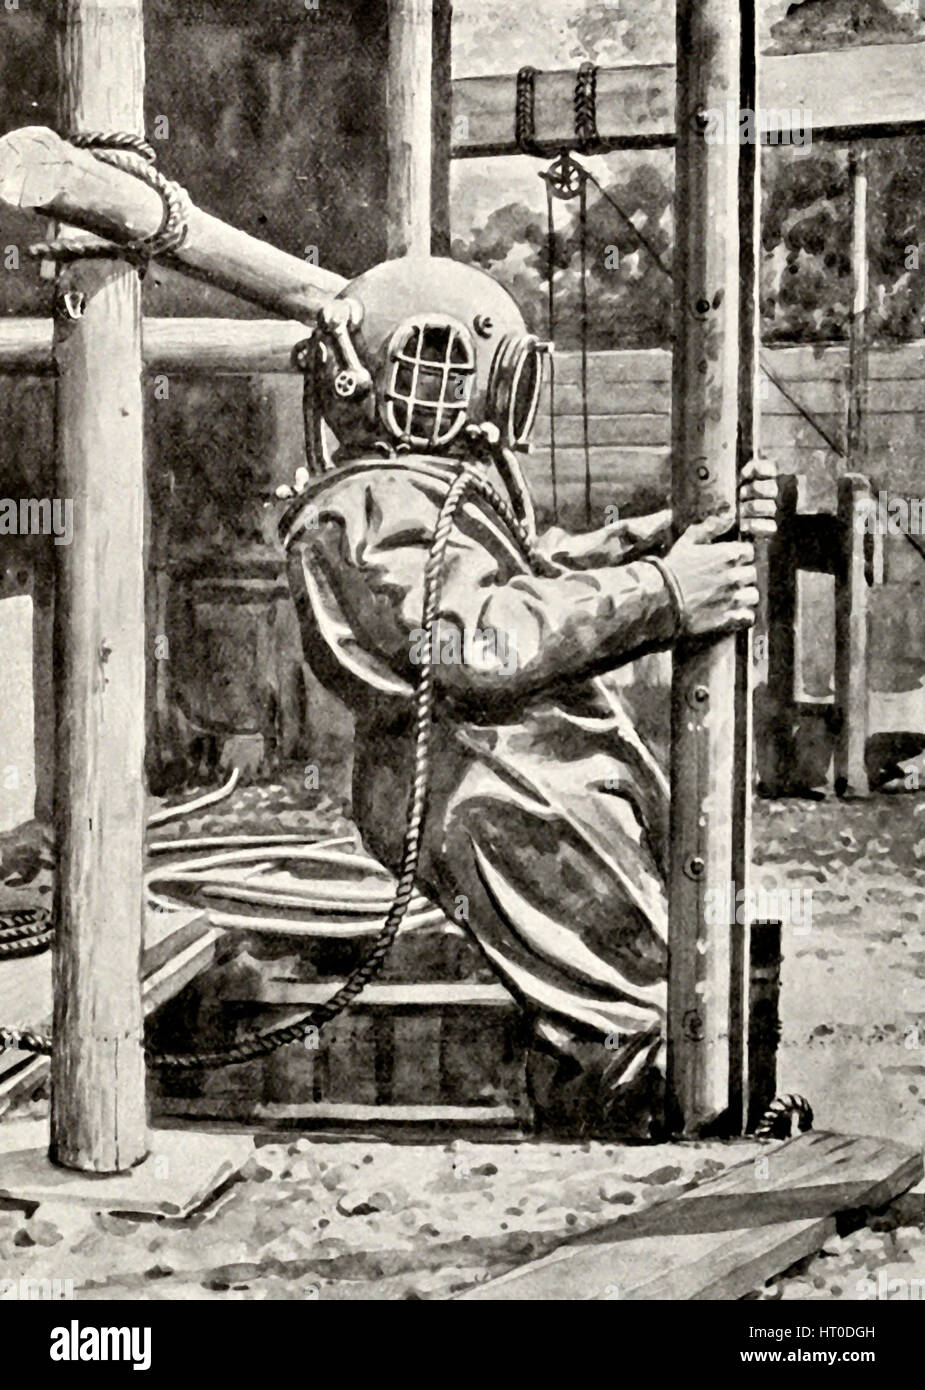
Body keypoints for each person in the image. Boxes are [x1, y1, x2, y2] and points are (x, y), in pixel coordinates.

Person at [281, 255, 776, 1136]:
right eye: (435, 362)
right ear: (363, 378)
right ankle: (631, 1135)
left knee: (642, 946)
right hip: (481, 792)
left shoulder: (427, 490)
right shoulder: (361, 505)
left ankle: (663, 1111)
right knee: (614, 994)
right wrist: (662, 592)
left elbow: (532, 573)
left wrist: (666, 538)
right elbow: (477, 638)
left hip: (530, 775)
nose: (467, 394)